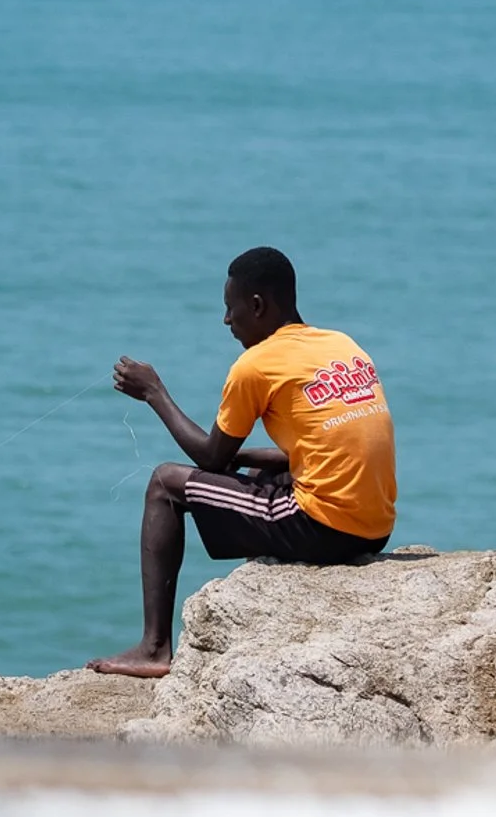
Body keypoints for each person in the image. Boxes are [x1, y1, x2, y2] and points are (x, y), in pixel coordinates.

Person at [87, 247, 397, 677]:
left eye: (230, 308)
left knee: (163, 483)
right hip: (375, 527)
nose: (226, 321)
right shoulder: (342, 345)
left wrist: (154, 392)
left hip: (327, 529)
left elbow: (211, 459)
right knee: (261, 472)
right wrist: (238, 459)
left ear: (256, 305)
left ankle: (154, 647)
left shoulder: (255, 365)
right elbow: (305, 450)